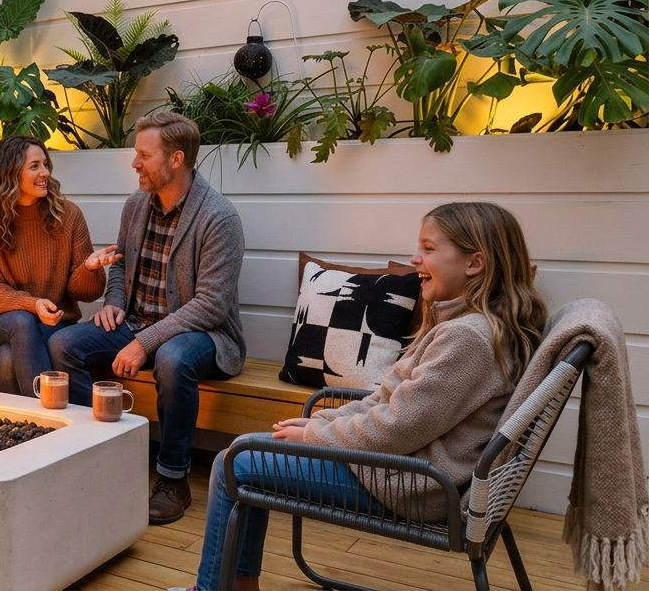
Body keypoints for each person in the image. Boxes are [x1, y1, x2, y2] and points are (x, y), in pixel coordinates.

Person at [183, 202, 547, 591]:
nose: (414, 258)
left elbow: (396, 427)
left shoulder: (466, 339)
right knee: (249, 450)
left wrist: (316, 437)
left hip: (413, 485)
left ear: (475, 263)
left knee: (232, 464)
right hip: (405, 468)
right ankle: (238, 583)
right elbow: (387, 402)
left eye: (428, 248)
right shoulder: (465, 324)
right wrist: (321, 423)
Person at [48, 111, 246, 525]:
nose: (134, 163)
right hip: (136, 322)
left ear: (176, 159)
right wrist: (115, 301)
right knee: (63, 344)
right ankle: (101, 457)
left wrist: (144, 342)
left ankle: (173, 479)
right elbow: (118, 265)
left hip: (203, 335)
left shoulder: (219, 218)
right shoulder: (137, 205)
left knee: (173, 358)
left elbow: (211, 304)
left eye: (143, 155)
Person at [0, 135, 120, 397]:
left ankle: (18, 431)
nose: (45, 173)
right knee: (21, 320)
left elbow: (86, 293)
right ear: (9, 172)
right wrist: (33, 304)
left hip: (55, 324)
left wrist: (89, 268)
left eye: (45, 164)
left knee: (7, 357)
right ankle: (49, 418)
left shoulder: (68, 215)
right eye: (35, 166)